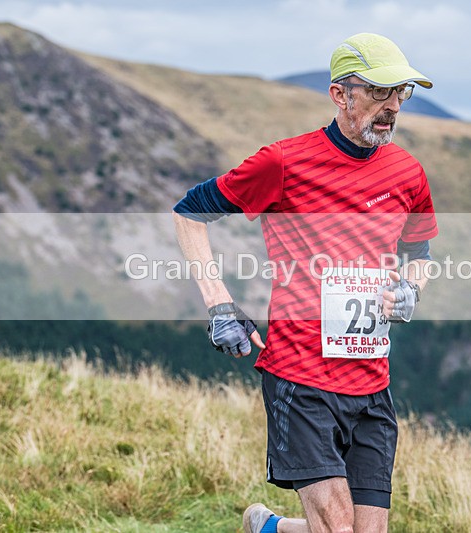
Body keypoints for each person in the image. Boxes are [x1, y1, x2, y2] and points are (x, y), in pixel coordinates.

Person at [173, 33, 438, 533]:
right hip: (301, 375)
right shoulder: (284, 162)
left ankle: (269, 528)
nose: (392, 106)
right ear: (341, 94)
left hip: (371, 379)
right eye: (380, 92)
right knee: (338, 527)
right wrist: (219, 305)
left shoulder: (407, 173)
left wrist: (411, 290)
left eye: (401, 93)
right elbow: (190, 215)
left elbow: (419, 250)